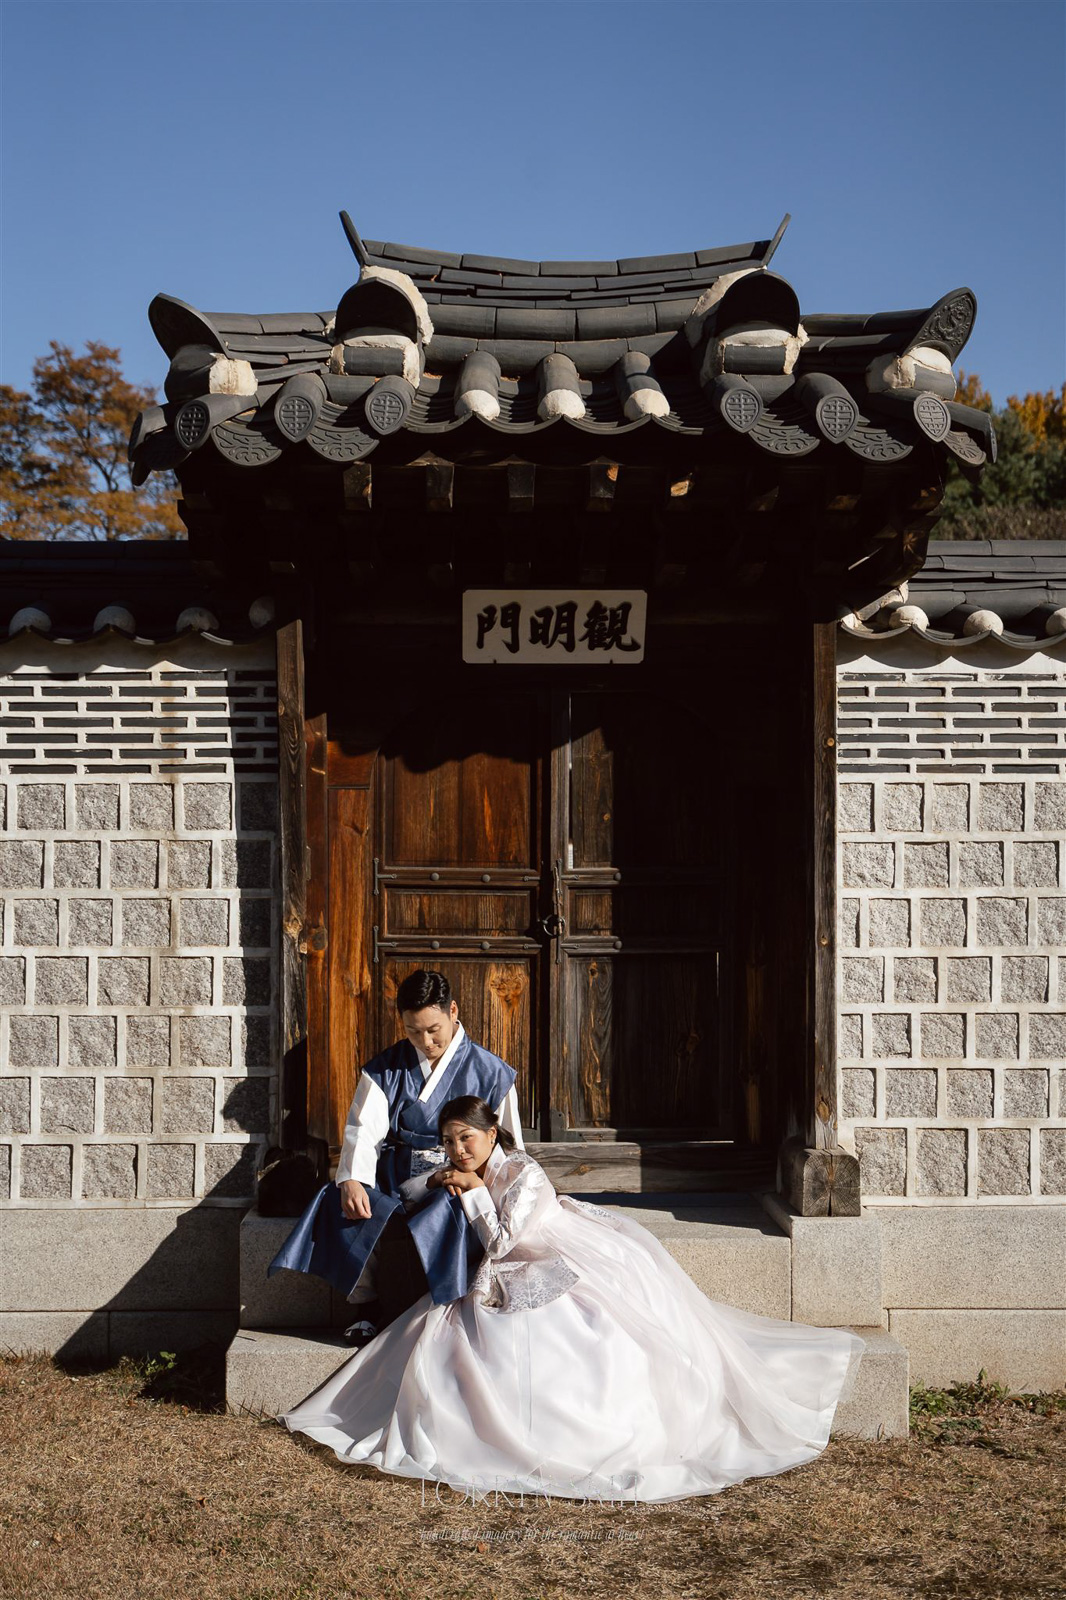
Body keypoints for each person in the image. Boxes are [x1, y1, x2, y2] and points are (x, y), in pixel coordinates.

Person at [281, 1095, 866, 1505]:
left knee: (579, 1333)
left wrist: (476, 1194)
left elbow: (509, 1242)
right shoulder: (463, 1169)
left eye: (468, 1138)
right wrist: (445, 1183)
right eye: (449, 1142)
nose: (457, 1150)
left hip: (553, 1254)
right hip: (509, 1261)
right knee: (439, 1329)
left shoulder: (524, 1174)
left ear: (493, 1135)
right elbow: (424, 1195)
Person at [268, 971, 524, 1340]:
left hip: (459, 1174)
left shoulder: (492, 1072)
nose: (425, 1041)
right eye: (413, 1031)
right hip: (397, 1173)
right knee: (344, 1203)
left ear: (453, 1011)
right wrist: (353, 1179)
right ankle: (366, 1305)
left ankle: (443, 1308)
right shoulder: (385, 1068)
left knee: (449, 1207)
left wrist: (485, 1183)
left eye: (433, 1029)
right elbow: (363, 1129)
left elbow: (508, 1143)